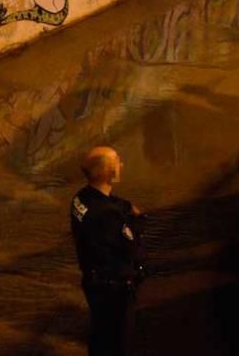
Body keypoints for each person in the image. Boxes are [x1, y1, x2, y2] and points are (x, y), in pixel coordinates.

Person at [70, 146, 145, 356]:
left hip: (93, 281)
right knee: (118, 343)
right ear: (107, 171)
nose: (121, 165)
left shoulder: (81, 198)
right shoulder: (107, 214)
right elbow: (131, 248)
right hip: (114, 289)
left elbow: (113, 202)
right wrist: (137, 222)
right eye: (117, 161)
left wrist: (125, 210)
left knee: (100, 335)